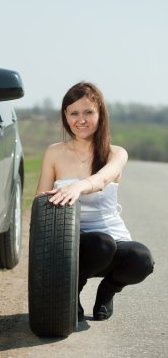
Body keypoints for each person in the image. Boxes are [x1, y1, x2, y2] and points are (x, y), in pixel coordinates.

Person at [35, 81, 154, 321]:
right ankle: (71, 291)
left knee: (142, 259)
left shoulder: (116, 153)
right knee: (101, 243)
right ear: (66, 117)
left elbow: (102, 179)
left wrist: (79, 186)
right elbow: (39, 200)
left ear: (100, 114)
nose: (81, 119)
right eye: (74, 113)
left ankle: (108, 290)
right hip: (70, 242)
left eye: (88, 112)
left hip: (112, 237)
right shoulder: (54, 152)